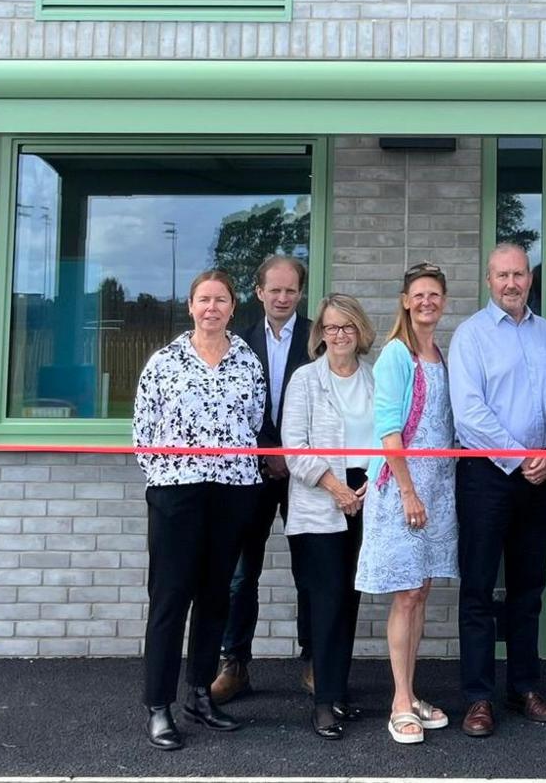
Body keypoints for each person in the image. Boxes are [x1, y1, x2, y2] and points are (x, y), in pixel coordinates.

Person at [133, 269, 265, 751]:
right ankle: (159, 706)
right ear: (190, 306)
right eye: (203, 300)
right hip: (177, 491)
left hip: (232, 489)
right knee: (171, 598)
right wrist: (169, 476)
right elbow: (143, 432)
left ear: (233, 308)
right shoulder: (164, 361)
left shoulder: (247, 361)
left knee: (216, 596)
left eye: (221, 301)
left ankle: (200, 695)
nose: (212, 308)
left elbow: (252, 420)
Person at [449, 243, 546, 737]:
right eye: (502, 276)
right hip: (486, 477)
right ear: (489, 280)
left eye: (519, 274)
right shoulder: (470, 336)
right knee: (477, 589)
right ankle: (477, 697)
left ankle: (524, 687)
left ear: (529, 279)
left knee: (528, 589)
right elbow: (469, 413)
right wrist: (521, 457)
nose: (512, 283)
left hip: (539, 476)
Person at [354, 262, 459, 744]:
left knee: (420, 594)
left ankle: (412, 692)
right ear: (404, 300)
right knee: (404, 595)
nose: (426, 302)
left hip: (437, 489)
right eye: (418, 294)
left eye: (434, 295)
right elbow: (389, 431)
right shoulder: (396, 355)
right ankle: (399, 701)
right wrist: (409, 492)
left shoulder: (440, 352)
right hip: (402, 492)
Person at [213, 255, 314, 703]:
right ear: (258, 292)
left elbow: (325, 400)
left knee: (311, 570)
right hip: (249, 473)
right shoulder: (238, 342)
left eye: (291, 290)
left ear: (300, 292)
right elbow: (232, 409)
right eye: (274, 289)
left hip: (305, 473)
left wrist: (292, 454)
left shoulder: (318, 337)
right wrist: (268, 451)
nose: (282, 297)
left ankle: (313, 660)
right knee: (239, 575)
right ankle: (234, 664)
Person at [281, 294, 377, 740]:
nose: (339, 335)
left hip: (366, 496)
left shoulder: (374, 379)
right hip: (321, 502)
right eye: (331, 327)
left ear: (360, 332)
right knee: (326, 600)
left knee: (350, 602)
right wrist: (336, 488)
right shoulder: (304, 380)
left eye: (347, 327)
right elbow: (293, 447)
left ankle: (339, 693)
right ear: (321, 333)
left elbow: (388, 438)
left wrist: (368, 484)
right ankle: (321, 703)